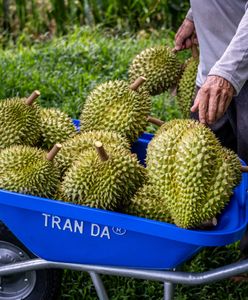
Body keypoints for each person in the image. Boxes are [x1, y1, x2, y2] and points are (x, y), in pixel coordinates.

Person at [173, 0, 248, 277]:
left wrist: (226, 74)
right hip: (212, 70)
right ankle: (209, 239)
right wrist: (197, 17)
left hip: (232, 72)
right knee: (208, 164)